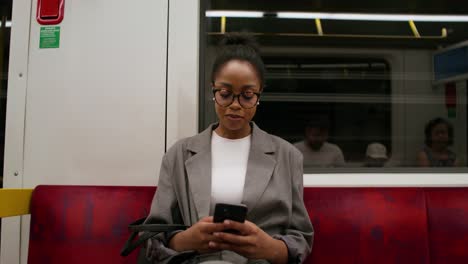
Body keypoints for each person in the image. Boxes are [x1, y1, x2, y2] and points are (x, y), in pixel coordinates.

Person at [144, 33, 313, 264]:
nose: (235, 105)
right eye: (225, 94)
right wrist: (186, 241)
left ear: (259, 94)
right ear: (213, 90)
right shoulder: (179, 155)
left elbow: (301, 240)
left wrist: (268, 248)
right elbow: (152, 237)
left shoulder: (288, 156)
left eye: (247, 96)